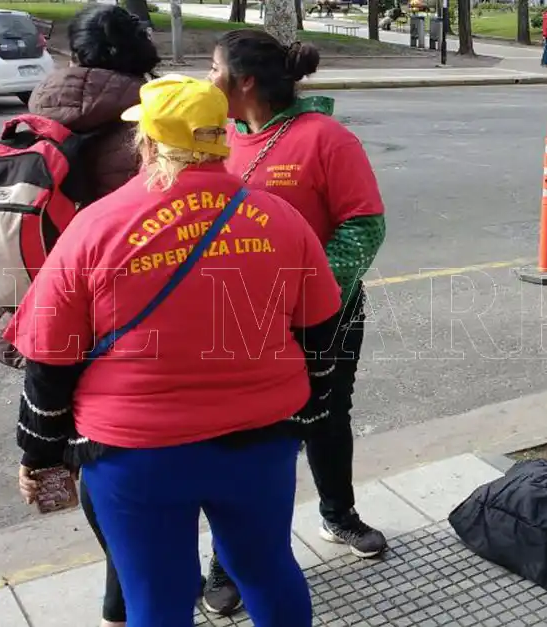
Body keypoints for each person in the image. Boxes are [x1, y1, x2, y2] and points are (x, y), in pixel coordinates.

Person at [9, 74, 339, 627]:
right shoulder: (283, 220)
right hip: (259, 445)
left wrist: (40, 455)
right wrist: (309, 419)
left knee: (156, 598)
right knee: (267, 569)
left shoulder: (97, 226)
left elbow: (49, 358)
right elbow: (320, 334)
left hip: (136, 454)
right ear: (221, 137)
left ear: (148, 142)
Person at [200, 29, 389, 615]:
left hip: (322, 316)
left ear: (246, 81)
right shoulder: (213, 139)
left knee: (326, 417)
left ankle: (338, 515)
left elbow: (365, 227)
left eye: (214, 68)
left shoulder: (325, 138)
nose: (208, 80)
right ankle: (227, 561)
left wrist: (308, 293)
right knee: (244, 439)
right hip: (237, 322)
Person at [0, 4, 159, 376]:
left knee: (49, 419)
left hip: (35, 315)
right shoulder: (154, 130)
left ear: (75, 55)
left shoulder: (33, 121)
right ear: (142, 54)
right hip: (120, 318)